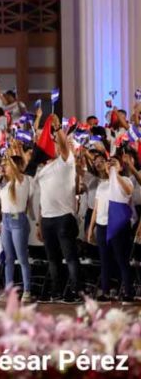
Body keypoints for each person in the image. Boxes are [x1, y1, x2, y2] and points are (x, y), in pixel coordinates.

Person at [34, 116, 81, 303]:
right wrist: (39, 222)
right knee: (52, 259)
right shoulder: (42, 170)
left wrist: (57, 128)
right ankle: (57, 291)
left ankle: (77, 291)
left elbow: (63, 146)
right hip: (47, 219)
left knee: (70, 257)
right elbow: (42, 199)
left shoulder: (66, 162)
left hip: (64, 218)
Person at [90, 158, 134, 303]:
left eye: (114, 163)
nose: (111, 166)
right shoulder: (102, 185)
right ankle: (106, 291)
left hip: (117, 225)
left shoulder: (126, 180)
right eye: (109, 164)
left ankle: (128, 292)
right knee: (104, 260)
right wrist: (91, 228)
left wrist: (116, 175)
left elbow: (129, 192)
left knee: (121, 259)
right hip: (102, 225)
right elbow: (96, 208)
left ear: (120, 167)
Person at [0, 154, 34, 303]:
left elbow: (16, 171)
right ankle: (8, 290)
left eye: (7, 165)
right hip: (5, 221)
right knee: (8, 258)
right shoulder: (6, 184)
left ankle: (27, 290)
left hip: (18, 220)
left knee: (22, 258)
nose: (4, 167)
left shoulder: (23, 181)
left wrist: (10, 156)